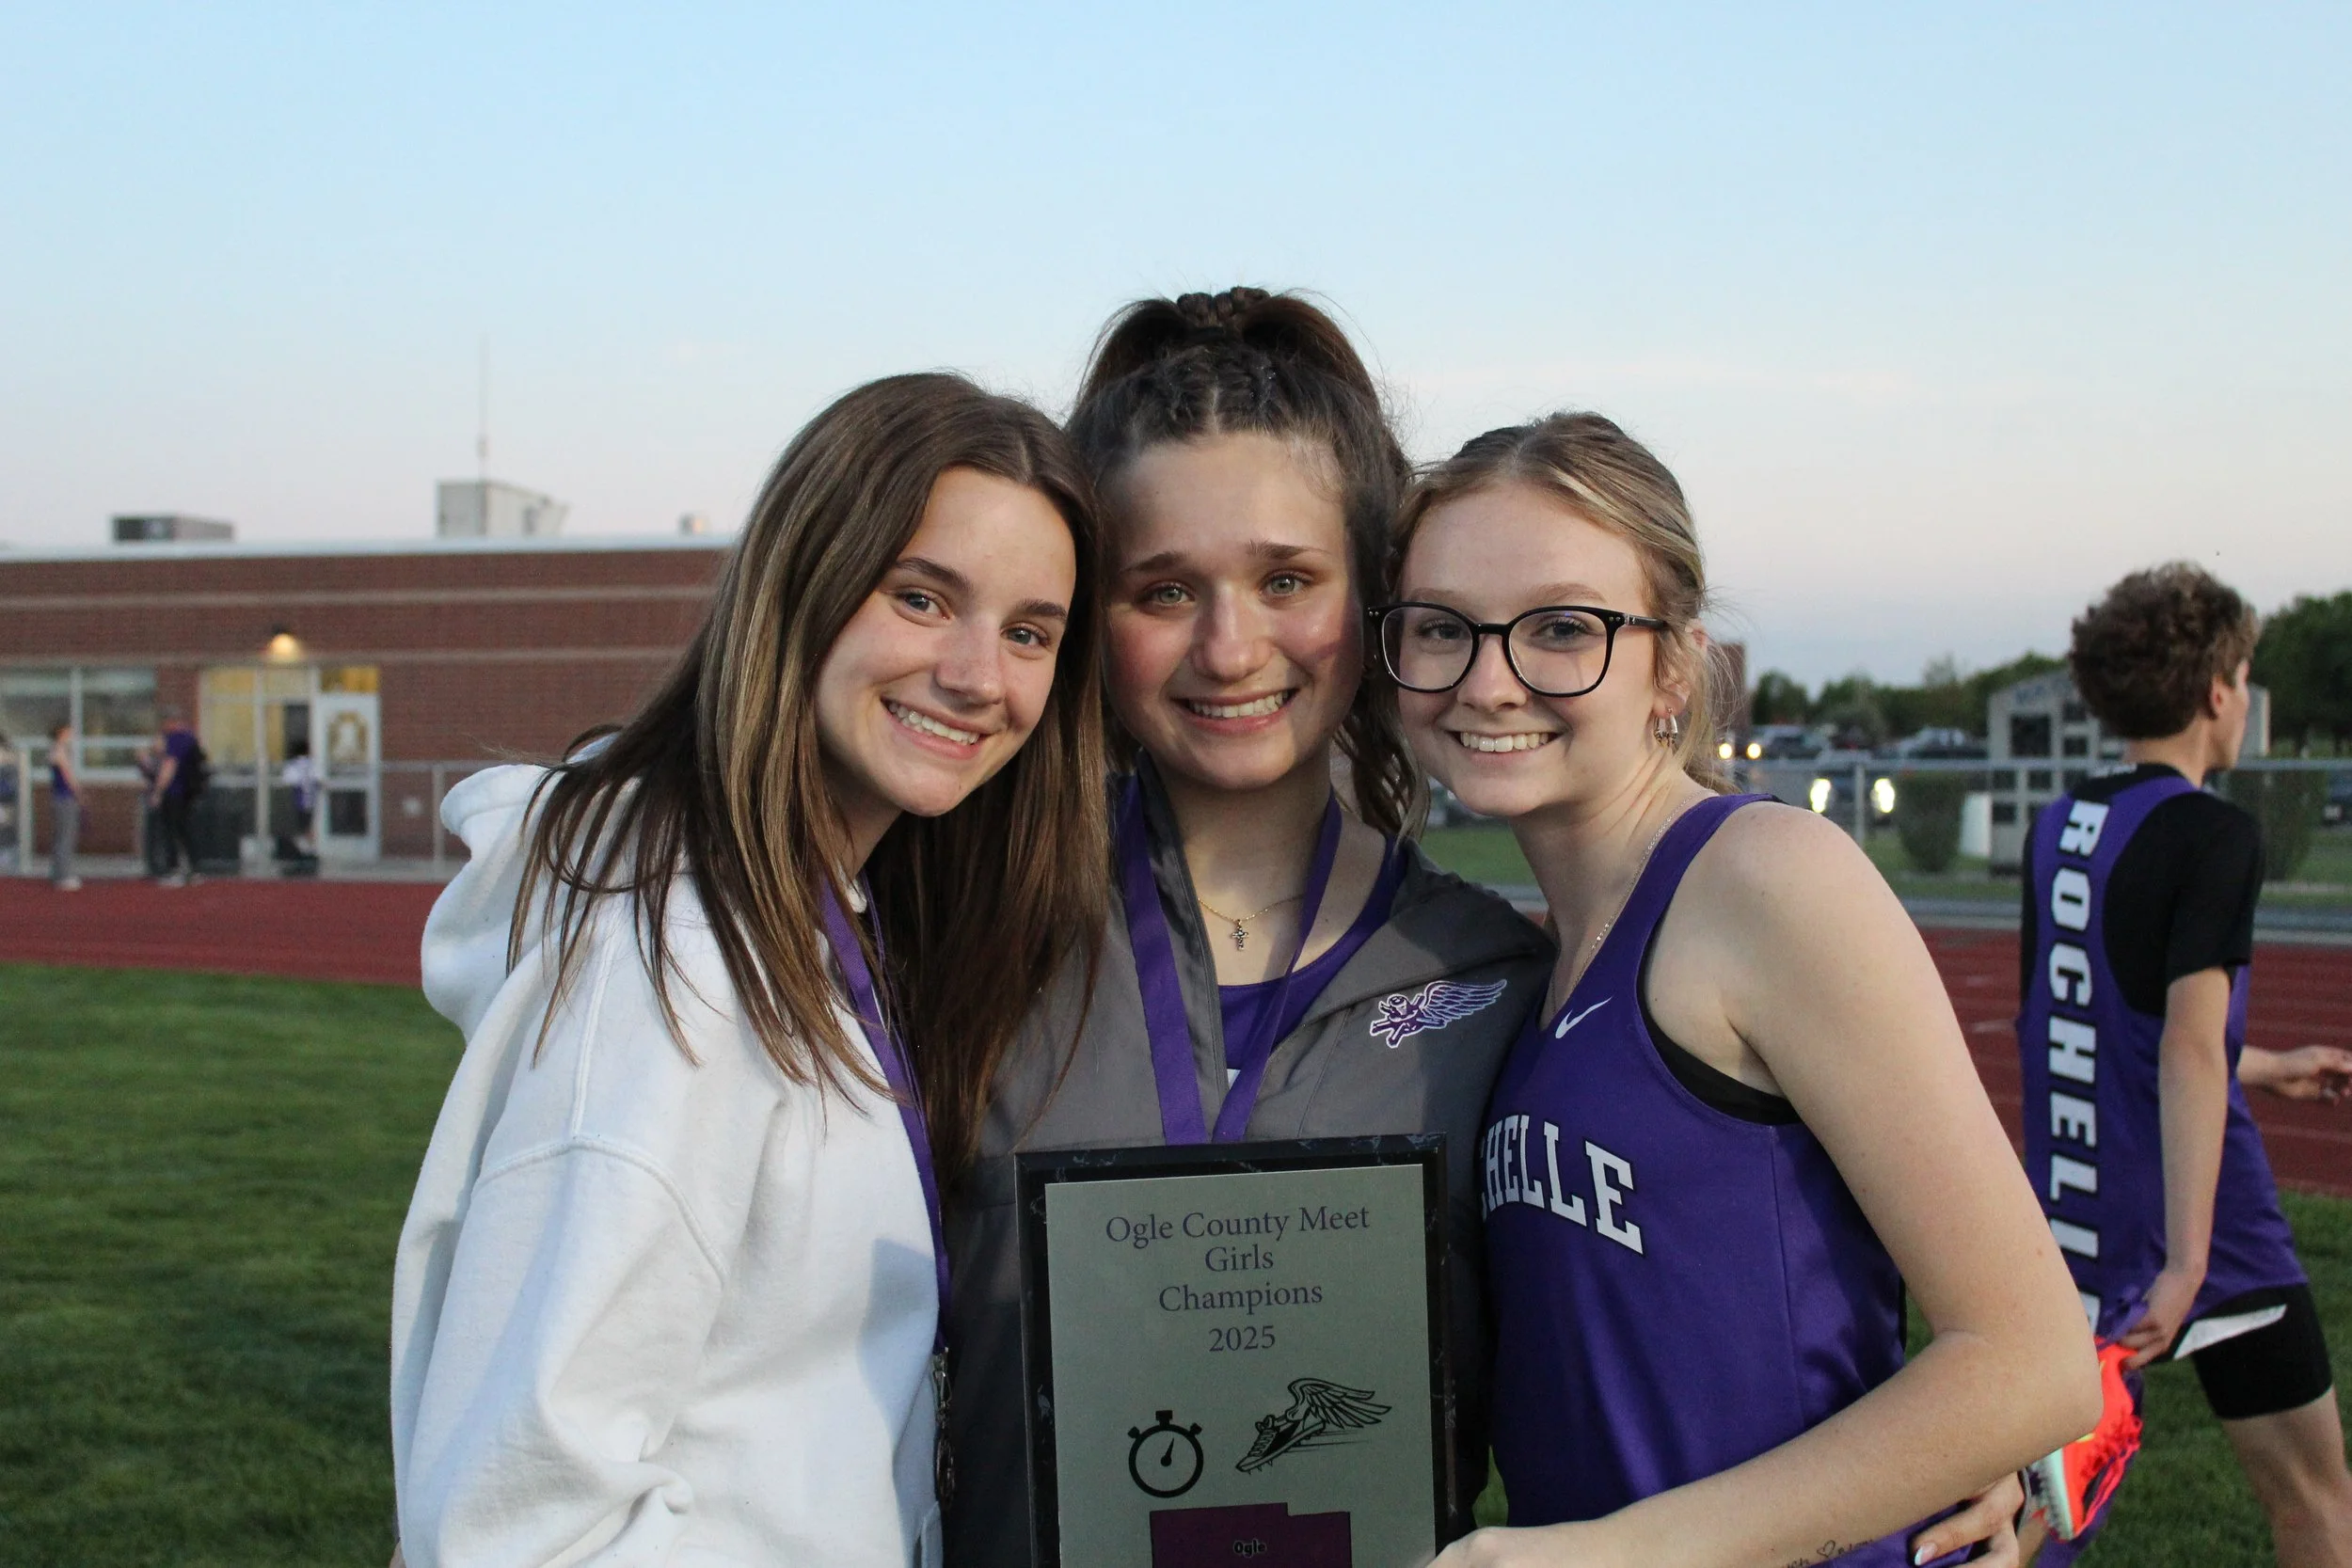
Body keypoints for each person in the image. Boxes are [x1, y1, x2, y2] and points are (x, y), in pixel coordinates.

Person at [389, 372, 1107, 1568]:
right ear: (802, 587)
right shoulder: (669, 953)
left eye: (1030, 631)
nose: (982, 675)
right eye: (923, 597)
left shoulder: (813, 911)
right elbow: (516, 1521)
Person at [1389, 413, 2099, 1568]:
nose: (1489, 676)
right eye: (1440, 628)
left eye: (1563, 627)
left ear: (1673, 664)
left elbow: (2031, 1362)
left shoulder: (1765, 876)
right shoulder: (1537, 960)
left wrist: (1614, 1552)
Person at [940, 289, 1554, 1567]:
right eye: (1165, 588)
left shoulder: (1494, 974)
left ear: (1374, 591)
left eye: (1287, 578)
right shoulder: (966, 926)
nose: (1230, 648)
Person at [2015, 562, 2352, 1567]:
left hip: (2076, 1209)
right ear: (2216, 691)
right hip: (2208, 1226)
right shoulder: (2213, 832)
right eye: (2242, 675)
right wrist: (2187, 1264)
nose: (2244, 698)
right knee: (2314, 1502)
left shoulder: (2058, 822)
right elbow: (2185, 1042)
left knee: (2038, 1509)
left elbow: (2086, 1017)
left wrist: (2268, 1061)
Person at [149, 709, 200, 884]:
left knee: (170, 831)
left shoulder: (174, 739)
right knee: (186, 831)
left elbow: (169, 766)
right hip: (188, 792)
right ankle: (193, 869)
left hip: (173, 792)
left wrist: (158, 792)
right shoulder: (190, 738)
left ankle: (174, 870)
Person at [277, 736, 320, 872]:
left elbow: (287, 783)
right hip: (309, 803)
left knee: (297, 829)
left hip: (295, 803)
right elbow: (319, 781)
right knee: (307, 828)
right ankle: (309, 851)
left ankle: (299, 854)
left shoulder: (292, 766)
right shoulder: (312, 765)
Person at [49, 721, 82, 890]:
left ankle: (58, 872)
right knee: (65, 836)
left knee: (61, 835)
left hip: (59, 797)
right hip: (64, 798)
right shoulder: (59, 750)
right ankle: (63, 875)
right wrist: (78, 793)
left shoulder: (57, 750)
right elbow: (67, 775)